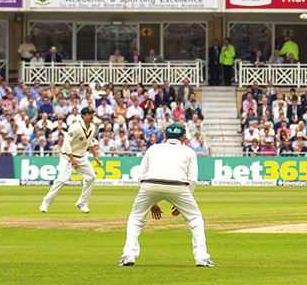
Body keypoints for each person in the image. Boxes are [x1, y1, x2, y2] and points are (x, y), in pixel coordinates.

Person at [120, 123, 212, 267]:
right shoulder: (188, 151)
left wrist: (152, 202)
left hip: (150, 185)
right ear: (183, 137)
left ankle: (128, 255)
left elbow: (141, 175)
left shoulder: (153, 148)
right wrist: (180, 202)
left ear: (165, 135)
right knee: (195, 219)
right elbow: (193, 179)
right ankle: (202, 258)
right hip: (178, 187)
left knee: (136, 218)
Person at [40, 106, 100, 213]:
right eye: (90, 114)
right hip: (67, 157)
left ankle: (82, 203)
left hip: (81, 157)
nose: (92, 116)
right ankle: (45, 203)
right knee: (61, 180)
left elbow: (89, 142)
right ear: (84, 115)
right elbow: (66, 142)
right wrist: (72, 158)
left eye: (92, 114)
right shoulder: (75, 127)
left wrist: (95, 156)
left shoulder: (93, 127)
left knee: (91, 177)